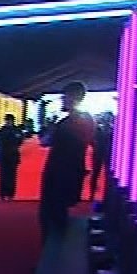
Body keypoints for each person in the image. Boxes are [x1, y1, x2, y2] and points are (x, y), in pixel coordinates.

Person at [39, 81, 95, 243]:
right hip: (68, 172)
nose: (62, 101)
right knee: (57, 216)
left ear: (72, 97)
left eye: (64, 97)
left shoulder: (69, 123)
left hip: (60, 173)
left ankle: (52, 258)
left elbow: (45, 141)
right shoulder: (83, 120)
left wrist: (49, 127)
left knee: (52, 217)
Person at [0, 114, 23, 200]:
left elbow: (20, 141)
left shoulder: (16, 130)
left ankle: (10, 194)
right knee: (2, 175)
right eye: (7, 120)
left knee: (12, 176)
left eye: (9, 120)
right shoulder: (2, 131)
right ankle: (2, 193)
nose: (8, 122)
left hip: (12, 155)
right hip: (3, 155)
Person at [90, 113, 114, 199]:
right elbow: (93, 139)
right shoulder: (99, 129)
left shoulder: (110, 130)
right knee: (96, 173)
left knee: (106, 175)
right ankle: (92, 194)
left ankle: (103, 196)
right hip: (100, 153)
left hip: (105, 154)